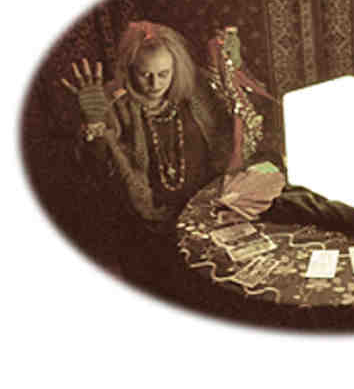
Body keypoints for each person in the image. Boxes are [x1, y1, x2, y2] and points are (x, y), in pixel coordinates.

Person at [60, 21, 274, 300]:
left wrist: (232, 68)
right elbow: (101, 169)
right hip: (152, 228)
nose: (155, 84)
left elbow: (242, 120)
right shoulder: (115, 104)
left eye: (164, 74)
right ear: (129, 70)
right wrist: (95, 125)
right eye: (145, 74)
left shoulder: (196, 93)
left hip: (209, 212)